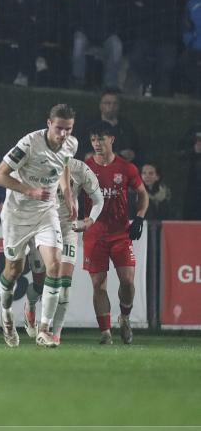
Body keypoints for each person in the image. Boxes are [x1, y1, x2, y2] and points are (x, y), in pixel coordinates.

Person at [0, 103, 78, 348]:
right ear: (49, 123)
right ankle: (7, 314)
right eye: (59, 128)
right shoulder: (28, 144)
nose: (63, 134)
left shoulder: (71, 143)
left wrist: (68, 194)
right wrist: (29, 190)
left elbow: (63, 163)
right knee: (14, 271)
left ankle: (44, 330)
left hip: (45, 212)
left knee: (54, 265)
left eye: (68, 129)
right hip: (17, 215)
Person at [22, 158, 104, 344]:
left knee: (64, 288)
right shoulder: (38, 163)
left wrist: (89, 221)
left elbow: (98, 199)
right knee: (40, 285)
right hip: (41, 228)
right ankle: (31, 303)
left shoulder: (80, 169)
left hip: (68, 230)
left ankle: (54, 334)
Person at [83, 122, 149, 345]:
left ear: (111, 139)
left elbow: (143, 194)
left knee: (128, 281)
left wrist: (139, 217)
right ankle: (105, 333)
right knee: (98, 284)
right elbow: (69, 191)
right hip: (94, 233)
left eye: (101, 139)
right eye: (93, 139)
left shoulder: (126, 168)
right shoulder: (85, 167)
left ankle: (126, 317)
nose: (97, 144)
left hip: (120, 233)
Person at [126, 0, 179, 98]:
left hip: (166, 40)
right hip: (144, 38)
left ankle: (163, 98)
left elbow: (171, 22)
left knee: (166, 65)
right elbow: (133, 19)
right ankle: (146, 86)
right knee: (135, 59)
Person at [71, 0, 123, 90]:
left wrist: (111, 31)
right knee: (78, 42)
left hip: (107, 33)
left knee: (116, 45)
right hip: (85, 32)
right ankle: (78, 80)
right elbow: (74, 14)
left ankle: (110, 84)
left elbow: (121, 17)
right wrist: (80, 28)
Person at [5, 0, 52, 87]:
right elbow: (10, 12)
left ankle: (23, 73)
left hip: (39, 29)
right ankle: (38, 57)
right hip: (19, 28)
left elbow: (47, 12)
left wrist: (34, 18)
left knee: (28, 30)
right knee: (25, 29)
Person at [77, 90, 140, 163]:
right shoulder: (89, 125)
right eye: (107, 103)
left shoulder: (126, 126)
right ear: (101, 106)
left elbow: (135, 149)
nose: (111, 106)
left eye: (115, 103)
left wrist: (131, 154)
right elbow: (81, 150)